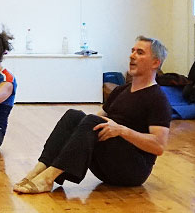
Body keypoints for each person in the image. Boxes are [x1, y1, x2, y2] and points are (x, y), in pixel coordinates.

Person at [12, 36, 171, 194]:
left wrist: (122, 131)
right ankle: (39, 170)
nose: (132, 56)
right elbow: (92, 120)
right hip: (107, 164)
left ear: (155, 63)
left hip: (132, 171)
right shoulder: (120, 90)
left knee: (92, 121)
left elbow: (158, 146)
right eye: (132, 51)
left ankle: (48, 179)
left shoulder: (157, 98)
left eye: (140, 52)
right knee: (74, 116)